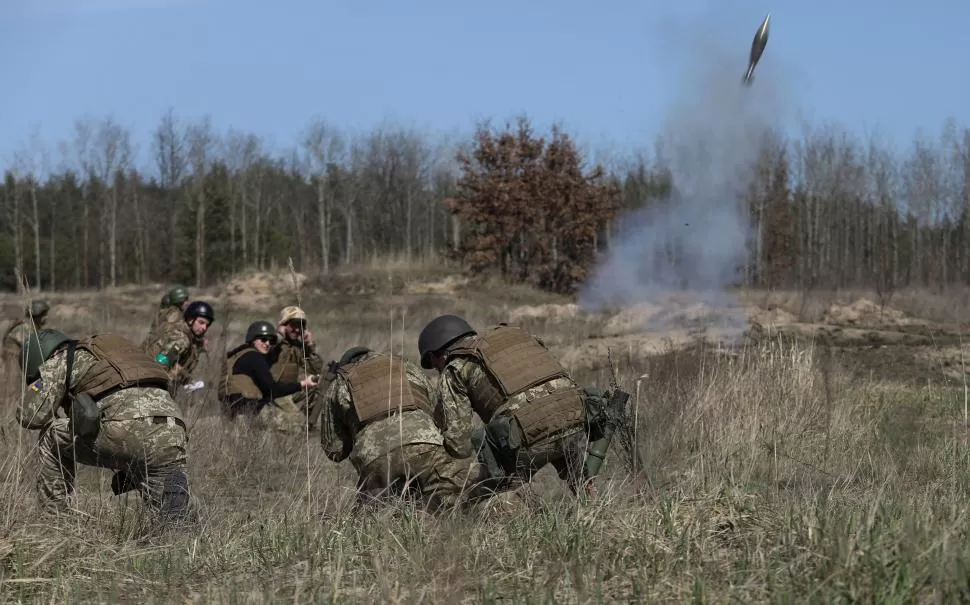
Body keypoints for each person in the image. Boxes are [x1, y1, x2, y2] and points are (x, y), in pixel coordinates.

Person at [418, 315, 623, 497]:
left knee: (489, 455)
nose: (437, 370)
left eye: (434, 364)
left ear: (438, 354)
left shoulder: (455, 366)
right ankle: (587, 492)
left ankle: (514, 504)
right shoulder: (518, 339)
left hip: (528, 443)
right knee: (555, 419)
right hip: (576, 422)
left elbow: (458, 443)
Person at [17, 328, 194, 527]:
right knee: (173, 522)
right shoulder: (111, 351)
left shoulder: (61, 359)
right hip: (174, 430)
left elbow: (30, 417)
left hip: (127, 431)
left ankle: (54, 521)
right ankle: (184, 537)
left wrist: (38, 385)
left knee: (51, 435)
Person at [320, 346, 489, 512]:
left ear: (346, 365)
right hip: (425, 444)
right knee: (458, 497)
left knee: (375, 518)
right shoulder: (407, 366)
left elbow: (334, 449)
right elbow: (436, 412)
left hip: (375, 459)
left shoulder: (339, 382)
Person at [218, 320, 318, 431]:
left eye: (271, 341)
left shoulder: (238, 354)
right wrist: (303, 384)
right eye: (263, 339)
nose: (267, 344)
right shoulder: (254, 357)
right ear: (253, 339)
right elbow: (272, 390)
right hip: (247, 413)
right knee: (298, 424)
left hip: (230, 412)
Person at [269, 306, 325, 430]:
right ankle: (297, 423)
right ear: (284, 325)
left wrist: (310, 346)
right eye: (293, 325)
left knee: (318, 385)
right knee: (297, 422)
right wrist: (278, 335)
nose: (297, 329)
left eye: (300, 326)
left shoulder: (298, 347)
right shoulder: (271, 342)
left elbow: (316, 369)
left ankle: (310, 424)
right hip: (274, 392)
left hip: (290, 390)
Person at [144, 300, 214, 394]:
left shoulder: (182, 333)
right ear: (190, 320)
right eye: (201, 322)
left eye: (207, 325)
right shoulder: (181, 339)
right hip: (151, 385)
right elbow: (161, 362)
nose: (204, 328)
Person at [2, 300, 51, 371]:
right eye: (44, 315)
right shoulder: (25, 328)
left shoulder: (32, 327)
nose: (46, 317)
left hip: (18, 362)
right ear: (37, 315)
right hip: (13, 363)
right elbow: (33, 349)